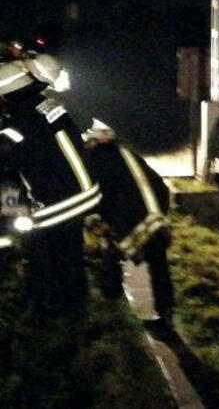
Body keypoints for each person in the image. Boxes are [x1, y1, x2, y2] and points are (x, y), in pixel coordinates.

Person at [0, 58, 101, 313]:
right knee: (70, 254)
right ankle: (76, 305)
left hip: (56, 202)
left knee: (44, 254)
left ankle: (48, 306)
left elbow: (7, 163)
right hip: (84, 192)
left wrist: (11, 209)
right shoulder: (47, 106)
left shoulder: (17, 123)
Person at [82, 119, 175, 327]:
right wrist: (160, 215)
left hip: (127, 222)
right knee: (159, 267)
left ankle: (114, 308)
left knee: (109, 257)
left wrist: (101, 223)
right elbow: (161, 186)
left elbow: (98, 196)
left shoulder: (94, 160)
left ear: (95, 141)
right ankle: (166, 313)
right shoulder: (128, 154)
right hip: (155, 219)